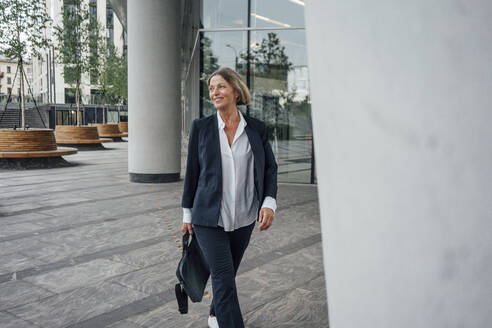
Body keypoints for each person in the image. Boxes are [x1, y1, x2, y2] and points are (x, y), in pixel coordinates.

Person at [181, 67, 278, 328]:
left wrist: (269, 203)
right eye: (211, 88)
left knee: (227, 275)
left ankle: (215, 314)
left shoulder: (256, 129)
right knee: (223, 277)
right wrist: (187, 214)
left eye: (221, 86)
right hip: (208, 218)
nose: (215, 92)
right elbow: (192, 173)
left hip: (244, 217)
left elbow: (269, 168)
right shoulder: (201, 128)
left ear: (236, 90)